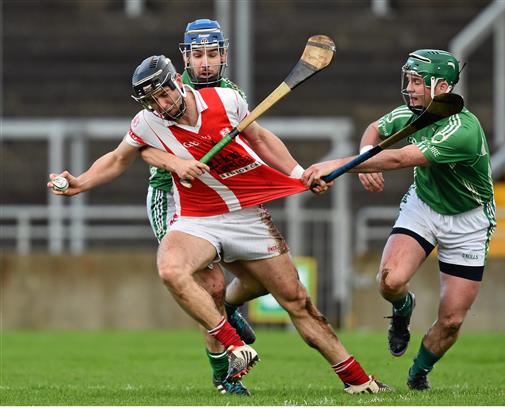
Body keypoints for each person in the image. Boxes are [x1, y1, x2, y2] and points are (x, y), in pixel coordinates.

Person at [50, 53, 391, 395]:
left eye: (165, 94)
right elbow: (120, 157)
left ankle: (359, 381)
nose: (163, 104)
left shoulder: (226, 100)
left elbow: (260, 138)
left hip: (246, 214)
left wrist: (299, 174)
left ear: (179, 82)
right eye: (153, 100)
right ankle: (234, 346)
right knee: (172, 270)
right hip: (197, 218)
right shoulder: (146, 123)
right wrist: (80, 182)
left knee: (297, 301)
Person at [303, 49, 496, 391]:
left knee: (451, 321)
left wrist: (337, 166)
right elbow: (375, 130)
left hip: (468, 221)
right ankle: (402, 310)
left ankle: (418, 372)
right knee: (389, 281)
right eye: (408, 79)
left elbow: (398, 159)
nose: (409, 88)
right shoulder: (413, 112)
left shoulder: (461, 130)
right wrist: (365, 158)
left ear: (441, 87)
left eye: (417, 82)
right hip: (423, 206)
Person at [142, 18, 256, 396]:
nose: (205, 63)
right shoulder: (167, 91)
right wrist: (176, 163)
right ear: (184, 58)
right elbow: (141, 146)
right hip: (173, 196)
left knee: (257, 277)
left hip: (219, 196)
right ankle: (224, 374)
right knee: (211, 285)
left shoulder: (231, 93)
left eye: (212, 54)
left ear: (223, 54)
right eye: (197, 55)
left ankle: (231, 314)